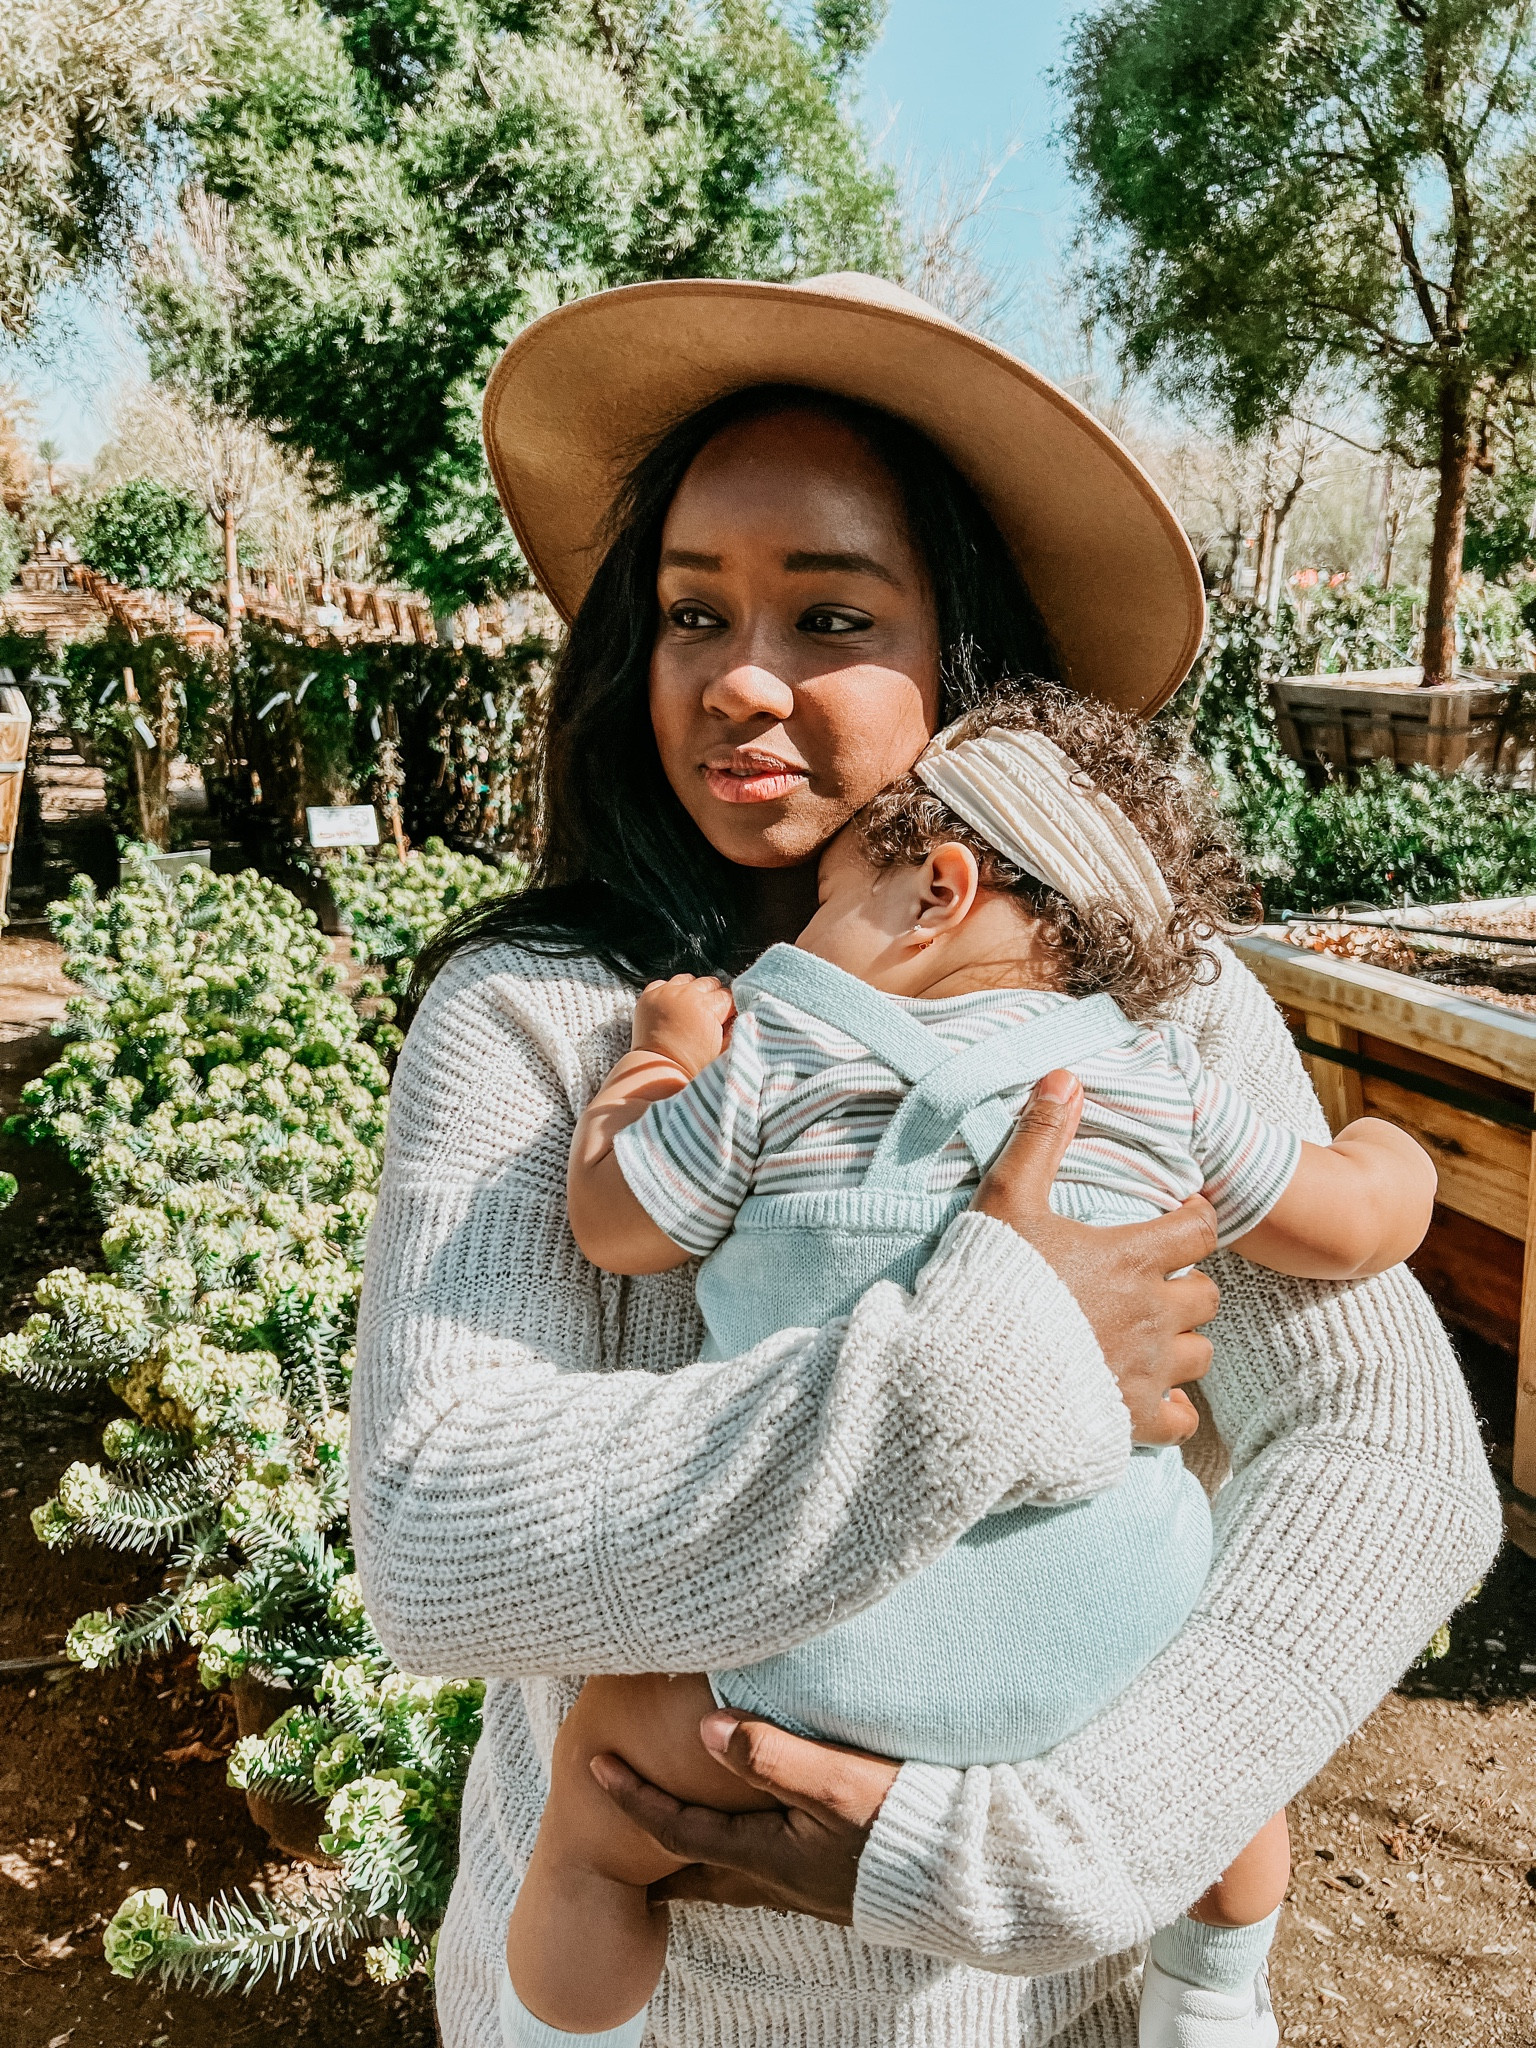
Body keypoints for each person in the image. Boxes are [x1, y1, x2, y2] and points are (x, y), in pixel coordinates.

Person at [351, 272, 1501, 2048]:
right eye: (687, 613)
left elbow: (1396, 1459)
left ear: (965, 663)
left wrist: (1045, 1849)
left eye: (829, 616)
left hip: (1053, 1998)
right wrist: (1007, 1356)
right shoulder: (547, 1022)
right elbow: (440, 1538)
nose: (741, 679)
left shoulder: (1146, 1007)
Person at [511, 680, 1437, 2048]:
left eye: (830, 897)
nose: (803, 930)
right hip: (1112, 1652)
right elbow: (1349, 1229)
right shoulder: (1154, 1073)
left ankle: (556, 2032)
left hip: (804, 1651)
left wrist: (661, 1058)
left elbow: (615, 1220)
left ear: (934, 891)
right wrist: (1393, 1155)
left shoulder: (782, 1040)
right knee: (1240, 1789)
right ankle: (1216, 1997)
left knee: (595, 1807)